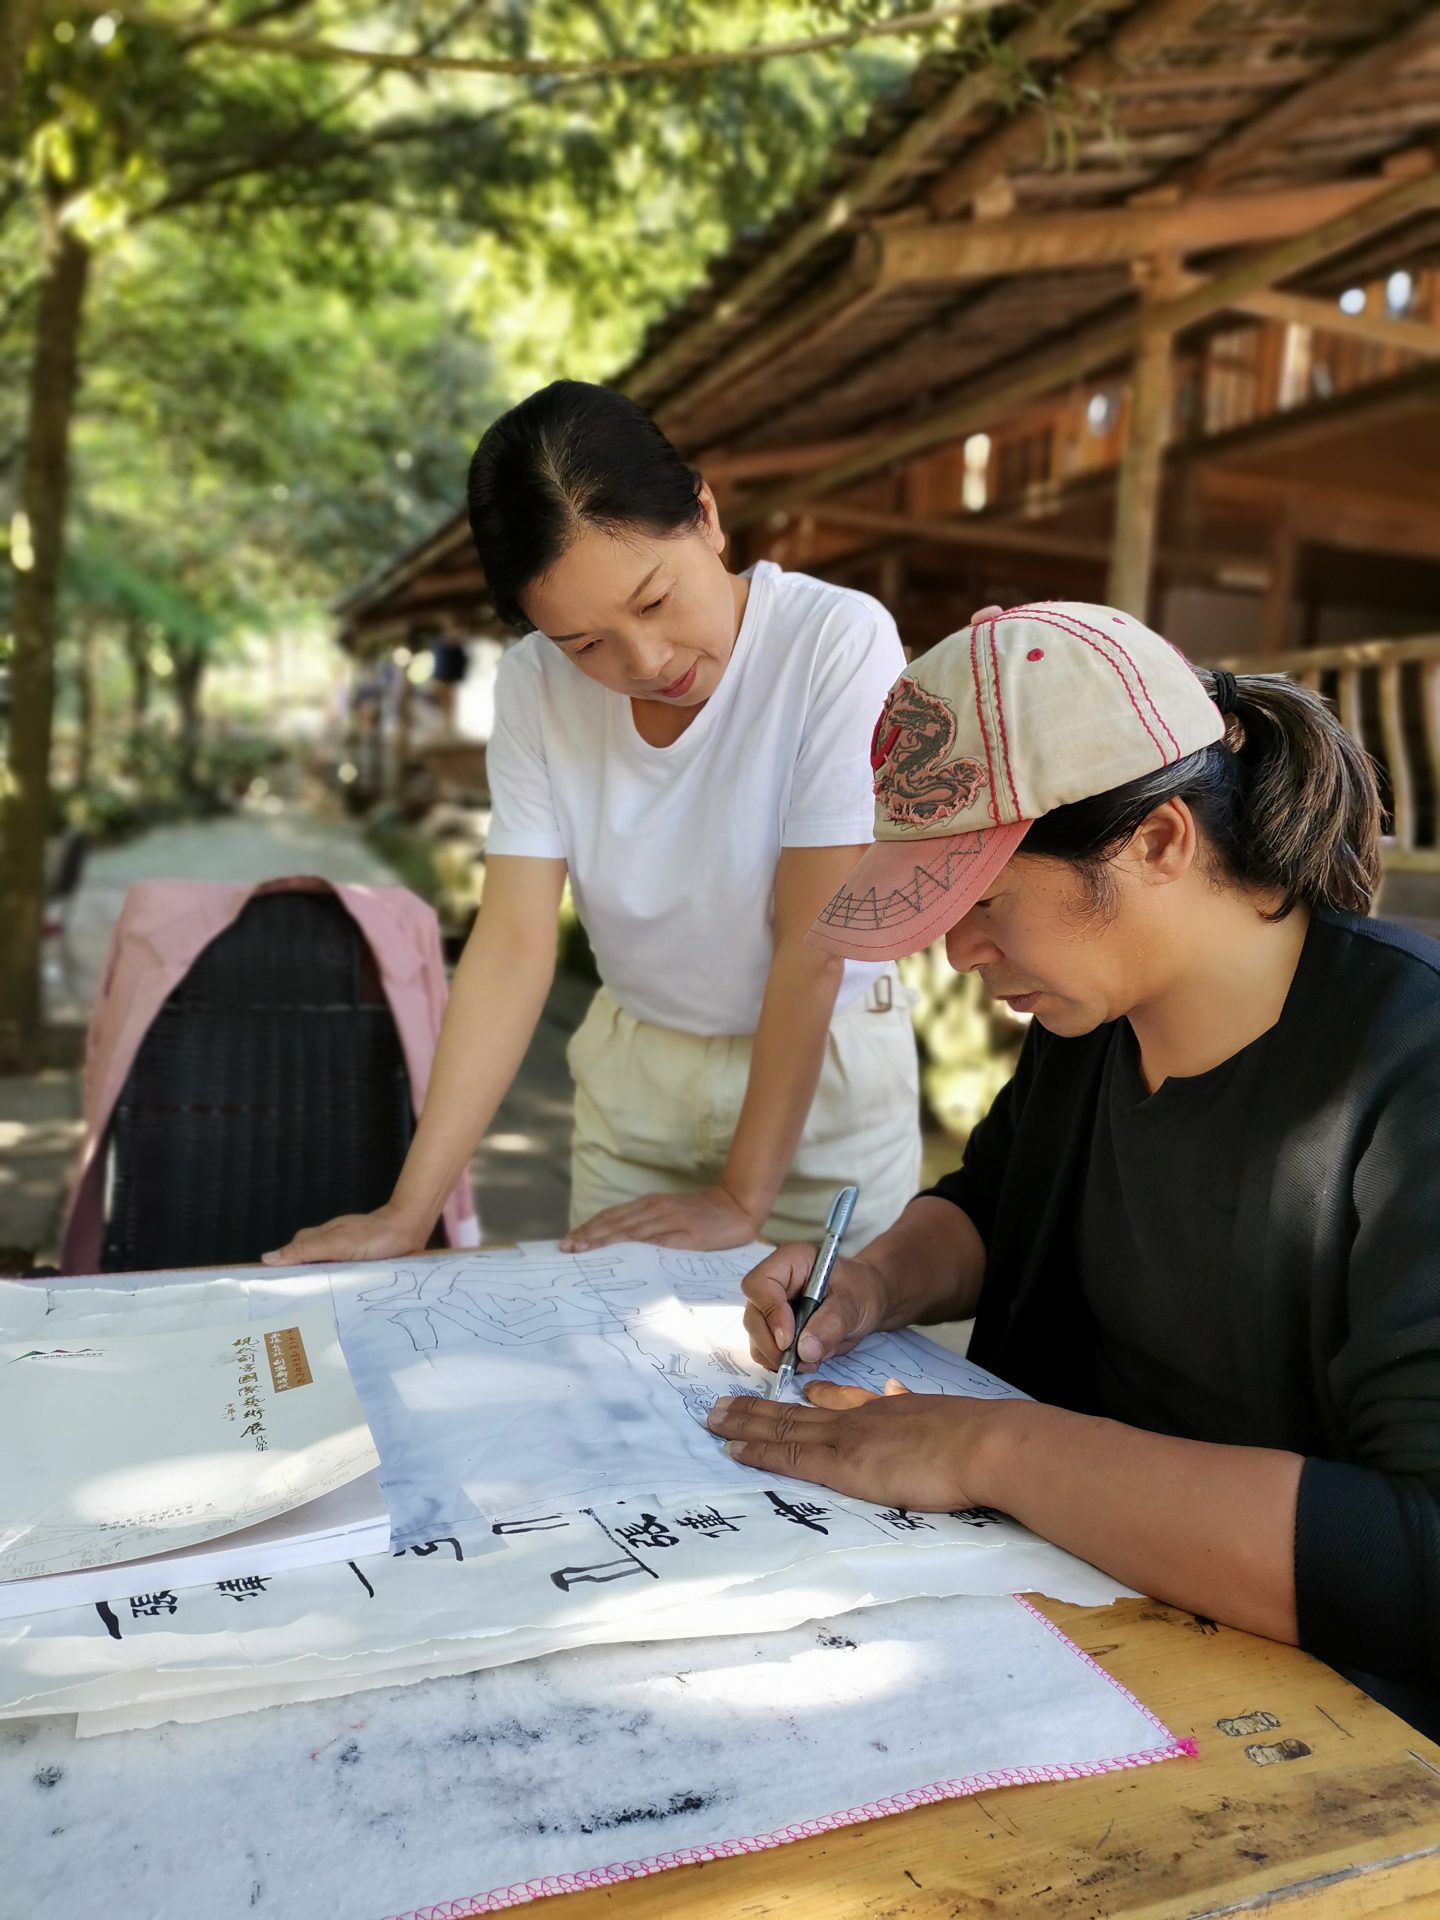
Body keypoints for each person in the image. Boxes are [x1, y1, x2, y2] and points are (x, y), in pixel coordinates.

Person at [709, 599, 1440, 1738]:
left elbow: (1417, 1559)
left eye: (987, 898)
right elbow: (997, 1206)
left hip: (1323, 1725)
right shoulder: (1093, 1022)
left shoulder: (1411, 1070)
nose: (960, 951)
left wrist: (990, 1446)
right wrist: (873, 1282)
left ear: (1158, 840)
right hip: (1072, 1621)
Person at [265, 381, 920, 1265]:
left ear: (705, 515)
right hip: (637, 1079)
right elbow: (512, 944)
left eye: (653, 601)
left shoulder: (835, 641)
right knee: (610, 1375)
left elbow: (815, 942)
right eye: (585, 644)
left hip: (823, 1084)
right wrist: (405, 1213)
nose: (645, 662)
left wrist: (739, 1198)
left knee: (825, 1374)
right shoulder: (535, 685)